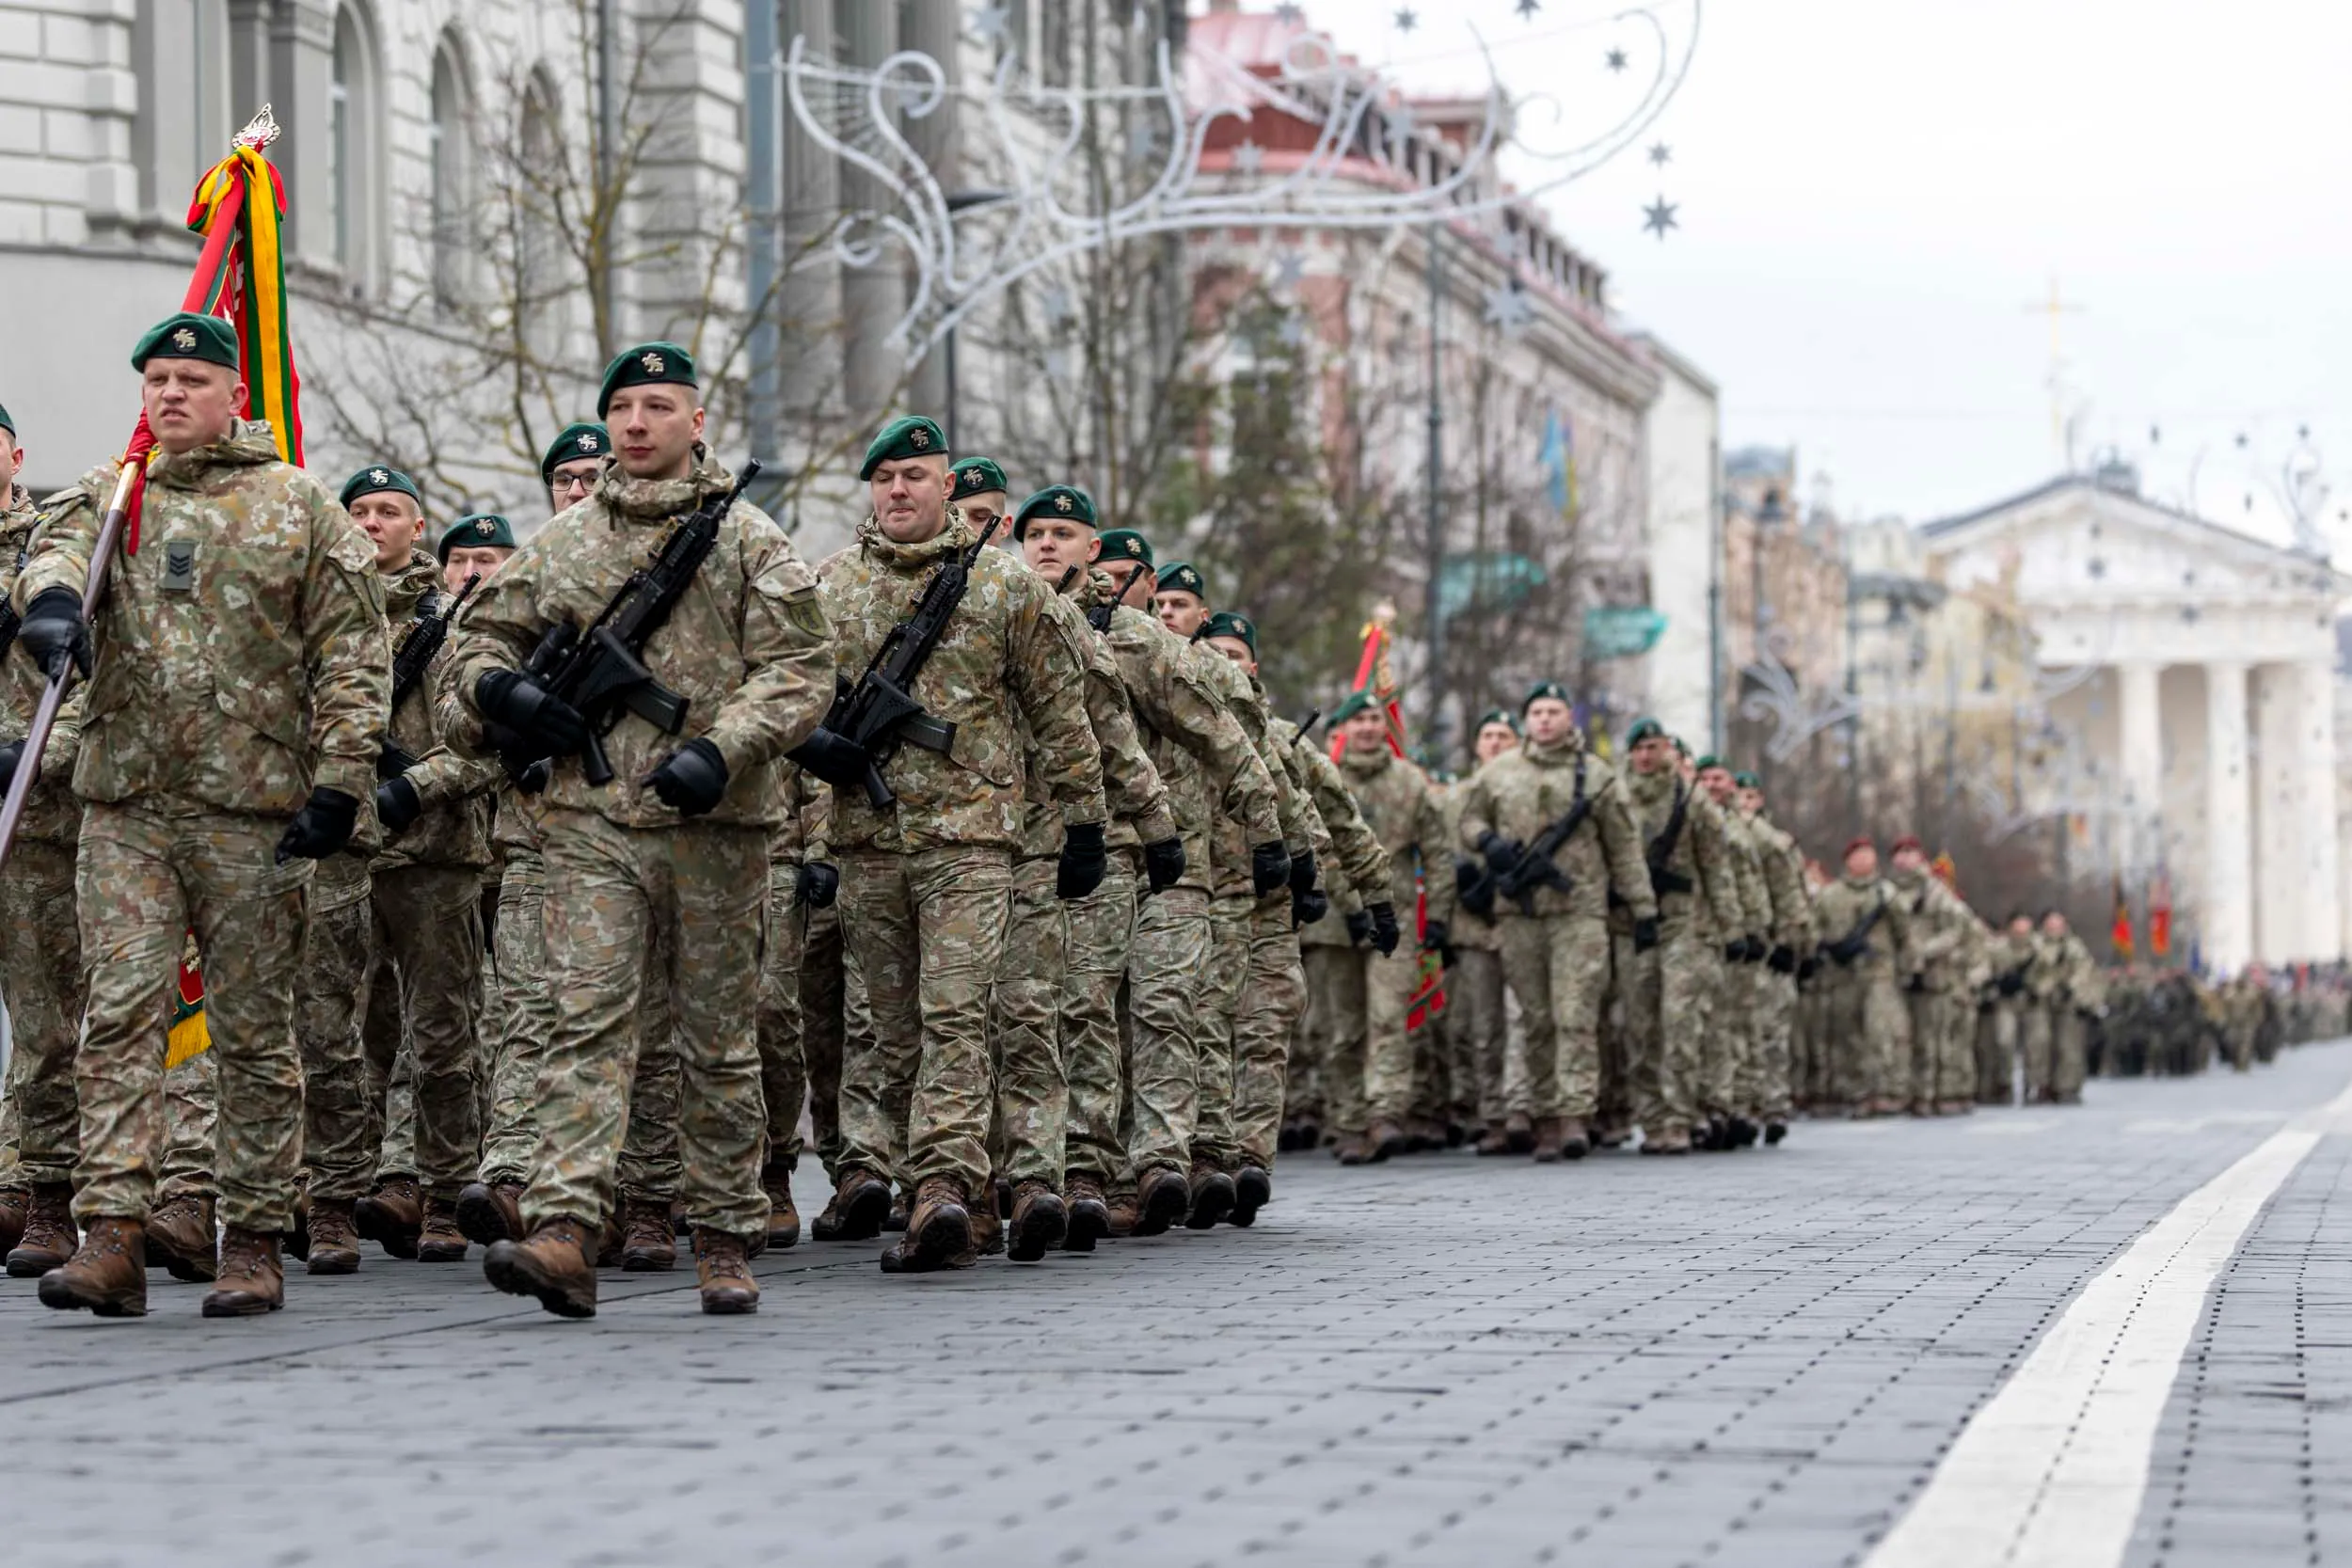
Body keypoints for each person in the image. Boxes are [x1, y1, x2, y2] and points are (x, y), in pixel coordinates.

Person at [450, 340, 833, 1317]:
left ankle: (721, 1231)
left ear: (696, 420)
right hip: (588, 821)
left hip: (714, 825)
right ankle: (567, 1225)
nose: (635, 424)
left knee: (714, 1035)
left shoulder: (748, 538)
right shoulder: (567, 541)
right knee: (588, 1020)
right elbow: (478, 636)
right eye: (622, 407)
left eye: (658, 405)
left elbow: (799, 667)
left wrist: (727, 747)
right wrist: (503, 688)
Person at [25, 311, 390, 1318]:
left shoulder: (297, 504)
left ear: (236, 393)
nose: (170, 393)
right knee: (122, 1015)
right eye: (156, 379)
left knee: (253, 1030)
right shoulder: (113, 494)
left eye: (191, 376)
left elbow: (355, 654)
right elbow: (49, 558)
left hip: (251, 808)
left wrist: (342, 778)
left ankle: (255, 1236)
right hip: (128, 804)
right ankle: (113, 1231)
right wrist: (52, 605)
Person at [792, 416, 1105, 1275]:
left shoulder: (1005, 590)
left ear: (947, 487)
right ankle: (951, 1199)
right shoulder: (830, 587)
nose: (898, 490)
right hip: (867, 839)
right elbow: (787, 694)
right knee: (893, 1029)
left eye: (916, 476)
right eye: (885, 476)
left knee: (957, 1013)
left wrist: (1084, 821)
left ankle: (943, 1183)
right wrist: (813, 748)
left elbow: (1059, 712)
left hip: (972, 839)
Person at [1083, 531, 1282, 1236]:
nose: (1114, 590)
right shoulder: (1059, 630)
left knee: (1170, 1007)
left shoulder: (1170, 658)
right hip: (1089, 857)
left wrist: (1274, 840)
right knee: (1093, 1015)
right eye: (1098, 576)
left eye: (1129, 580)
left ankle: (1168, 1160)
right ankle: (1095, 1166)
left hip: (1183, 865)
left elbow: (1244, 748)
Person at [1150, 562, 1319, 1212]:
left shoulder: (1217, 695)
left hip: (1232, 886)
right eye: (1160, 600)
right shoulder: (1144, 668)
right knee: (1178, 1018)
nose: (1168, 612)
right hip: (1166, 871)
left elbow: (1275, 778)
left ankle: (1227, 1152)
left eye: (1181, 603)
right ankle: (1185, 1152)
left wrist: (1304, 861)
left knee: (1232, 1021)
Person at [1458, 686, 1654, 1161]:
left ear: (1570, 717)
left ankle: (1573, 1115)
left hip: (1579, 913)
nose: (1545, 720)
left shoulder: (1600, 778)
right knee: (1535, 1017)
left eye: (1554, 712)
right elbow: (1466, 819)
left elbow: (1624, 849)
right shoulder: (1499, 773)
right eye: (1537, 712)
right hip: (1519, 913)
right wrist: (1488, 842)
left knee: (1576, 1014)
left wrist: (1643, 907)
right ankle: (1545, 1113)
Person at [1311, 693, 1453, 1164]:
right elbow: (1318, 846)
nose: (1369, 727)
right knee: (1343, 1028)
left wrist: (1438, 917)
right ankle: (1348, 1121)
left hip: (1394, 923)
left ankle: (1385, 1114)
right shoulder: (1322, 776)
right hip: (1337, 923)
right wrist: (1350, 904)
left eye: (1375, 719)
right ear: (1344, 728)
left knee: (1388, 1018)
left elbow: (1436, 852)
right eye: (1359, 720)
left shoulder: (1410, 783)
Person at [1811, 838, 1915, 1117]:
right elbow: (1813, 929)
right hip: (1841, 973)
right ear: (1848, 859)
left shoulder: (1887, 894)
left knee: (1878, 1031)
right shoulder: (1830, 895)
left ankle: (1880, 1090)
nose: (1864, 860)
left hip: (1878, 972)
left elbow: (1904, 934)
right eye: (1858, 855)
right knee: (1847, 1034)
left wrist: (1908, 968)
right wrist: (1827, 948)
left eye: (1868, 855)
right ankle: (1853, 1091)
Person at [1732, 771, 1807, 1143]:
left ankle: (1774, 1106)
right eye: (1738, 796)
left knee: (1771, 1033)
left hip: (1770, 945)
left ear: (1759, 801)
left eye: (1749, 797)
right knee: (1742, 1031)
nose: (1743, 804)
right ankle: (1743, 1106)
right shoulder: (1726, 832)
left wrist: (1790, 945)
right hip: (1740, 942)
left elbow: (1792, 895)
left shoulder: (1773, 843)